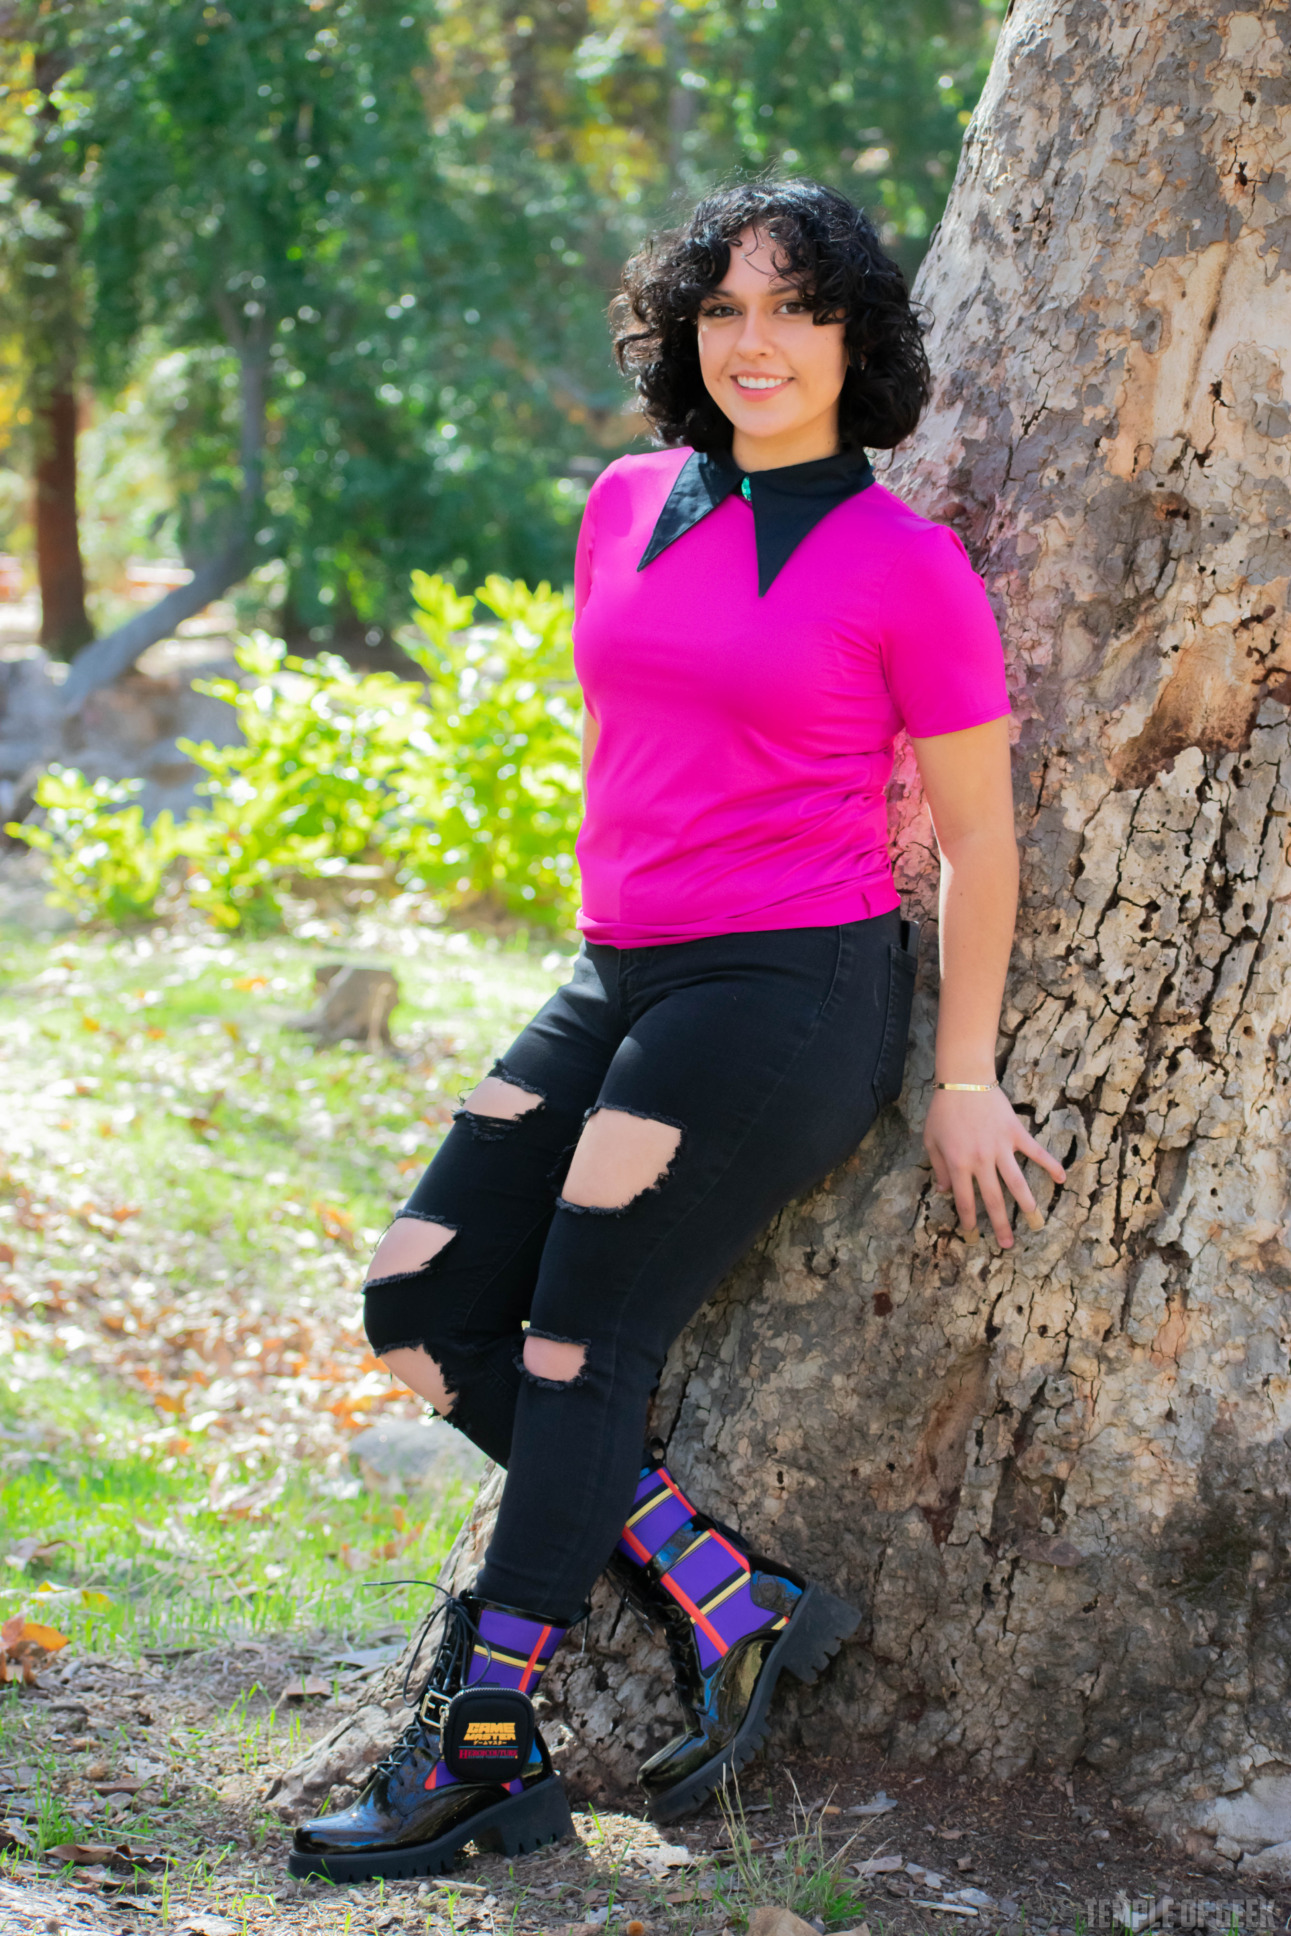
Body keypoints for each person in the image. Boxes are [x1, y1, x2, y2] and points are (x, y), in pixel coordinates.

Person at [289, 178, 1066, 1885]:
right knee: (420, 1301)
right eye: (725, 308)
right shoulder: (627, 500)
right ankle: (728, 1592)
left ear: (856, 338)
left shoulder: (907, 566)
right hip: (617, 973)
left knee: (575, 1339)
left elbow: (983, 842)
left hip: (785, 992)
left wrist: (961, 1076)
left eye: (797, 308)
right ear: (684, 332)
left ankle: (485, 1753)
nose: (757, 342)